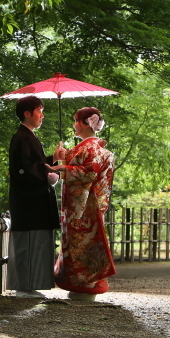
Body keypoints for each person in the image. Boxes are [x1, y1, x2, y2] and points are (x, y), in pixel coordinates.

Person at [49, 106, 115, 301]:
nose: (74, 125)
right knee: (81, 243)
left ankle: (87, 286)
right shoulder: (89, 147)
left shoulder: (91, 148)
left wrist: (63, 166)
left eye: (76, 121)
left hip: (84, 206)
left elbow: (89, 172)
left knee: (83, 244)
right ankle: (83, 285)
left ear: (87, 123)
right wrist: (61, 156)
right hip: (81, 206)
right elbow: (76, 163)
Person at [7, 95, 65, 298]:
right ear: (27, 113)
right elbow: (23, 169)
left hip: (34, 201)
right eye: (39, 110)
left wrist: (53, 159)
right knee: (27, 243)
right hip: (28, 202)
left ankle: (29, 286)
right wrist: (47, 170)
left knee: (35, 242)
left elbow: (35, 164)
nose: (42, 115)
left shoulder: (28, 136)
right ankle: (23, 287)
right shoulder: (21, 137)